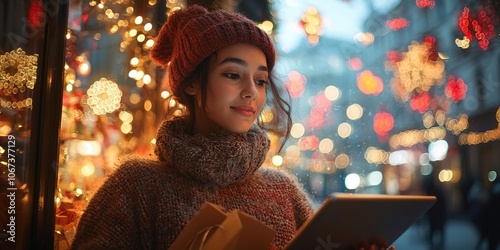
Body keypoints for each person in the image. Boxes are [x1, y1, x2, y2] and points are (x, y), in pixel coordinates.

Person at [71, 5, 396, 250]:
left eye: (260, 80)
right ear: (193, 83)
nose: (251, 92)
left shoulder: (281, 189)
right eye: (231, 74)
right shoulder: (136, 186)